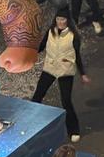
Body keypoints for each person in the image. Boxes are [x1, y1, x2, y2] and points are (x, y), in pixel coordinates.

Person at [33, 8, 89, 142]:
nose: (60, 22)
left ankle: (73, 130)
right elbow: (41, 47)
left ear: (68, 21)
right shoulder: (50, 32)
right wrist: (30, 53)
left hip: (65, 71)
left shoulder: (73, 36)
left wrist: (83, 74)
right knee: (38, 95)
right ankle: (31, 124)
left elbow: (78, 56)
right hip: (50, 67)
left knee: (66, 101)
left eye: (63, 19)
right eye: (58, 19)